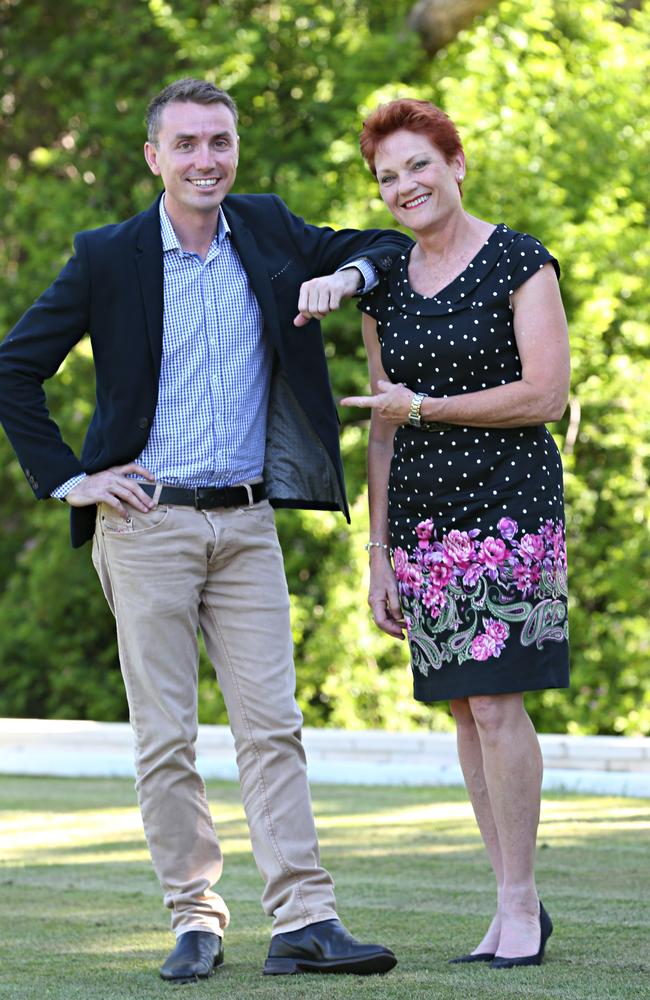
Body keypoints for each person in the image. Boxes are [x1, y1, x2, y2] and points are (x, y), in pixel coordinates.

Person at [0, 78, 409, 983]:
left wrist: (341, 277)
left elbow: (386, 244)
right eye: (185, 144)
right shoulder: (107, 257)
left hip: (249, 521)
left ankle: (306, 920)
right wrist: (73, 479)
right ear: (154, 156)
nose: (205, 160)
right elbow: (13, 371)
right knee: (167, 737)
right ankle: (195, 920)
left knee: (274, 727)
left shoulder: (267, 230)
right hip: (145, 526)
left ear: (234, 150)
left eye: (218, 142)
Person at [341, 98, 570, 969]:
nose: (405, 185)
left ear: (457, 164)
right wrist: (376, 556)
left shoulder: (519, 260)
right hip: (425, 521)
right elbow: (382, 423)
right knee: (464, 713)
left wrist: (427, 405)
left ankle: (519, 904)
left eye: (418, 165)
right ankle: (513, 901)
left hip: (510, 510)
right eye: (387, 175)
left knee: (497, 701)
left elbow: (544, 395)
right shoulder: (386, 282)